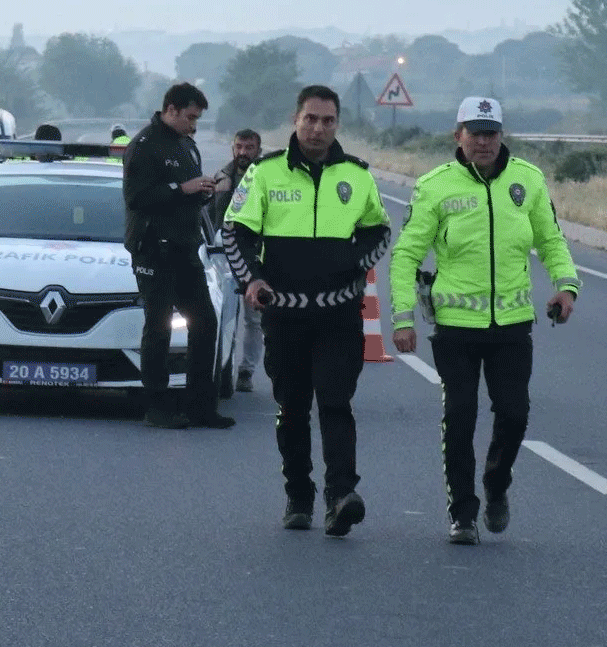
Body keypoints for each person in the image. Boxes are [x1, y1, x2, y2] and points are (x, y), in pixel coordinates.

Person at [389, 97, 580, 545]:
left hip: (513, 325)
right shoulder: (434, 186)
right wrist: (402, 319)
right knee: (460, 415)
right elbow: (406, 256)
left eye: (491, 132)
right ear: (458, 135)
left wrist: (567, 287)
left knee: (514, 415)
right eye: (474, 132)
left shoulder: (527, 180)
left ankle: (496, 485)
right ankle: (463, 512)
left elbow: (551, 240)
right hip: (455, 327)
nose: (483, 141)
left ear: (501, 135)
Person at [222, 87, 390, 534]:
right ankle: (298, 495)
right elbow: (233, 232)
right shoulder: (265, 172)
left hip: (338, 314)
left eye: (328, 121)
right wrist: (252, 279)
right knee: (292, 408)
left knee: (336, 403)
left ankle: (340, 496)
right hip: (285, 315)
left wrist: (352, 264)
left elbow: (379, 233)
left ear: (338, 125)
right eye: (311, 119)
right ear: (296, 119)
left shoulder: (357, 177)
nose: (318, 128)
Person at [123, 83, 234, 431]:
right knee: (158, 327)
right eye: (189, 117)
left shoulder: (187, 146)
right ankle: (156, 407)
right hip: (154, 249)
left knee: (205, 322)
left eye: (197, 118)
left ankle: (201, 406)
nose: (194, 125)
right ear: (170, 109)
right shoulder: (143, 147)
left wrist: (206, 190)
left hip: (186, 248)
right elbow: (136, 198)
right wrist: (180, 188)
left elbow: (187, 198)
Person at [210, 128, 267, 391]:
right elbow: (210, 217)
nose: (243, 152)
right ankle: (224, 368)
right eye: (239, 147)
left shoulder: (268, 179)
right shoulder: (221, 177)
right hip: (223, 260)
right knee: (225, 317)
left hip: (257, 259)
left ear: (258, 150)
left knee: (254, 320)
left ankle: (246, 371)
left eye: (249, 147)